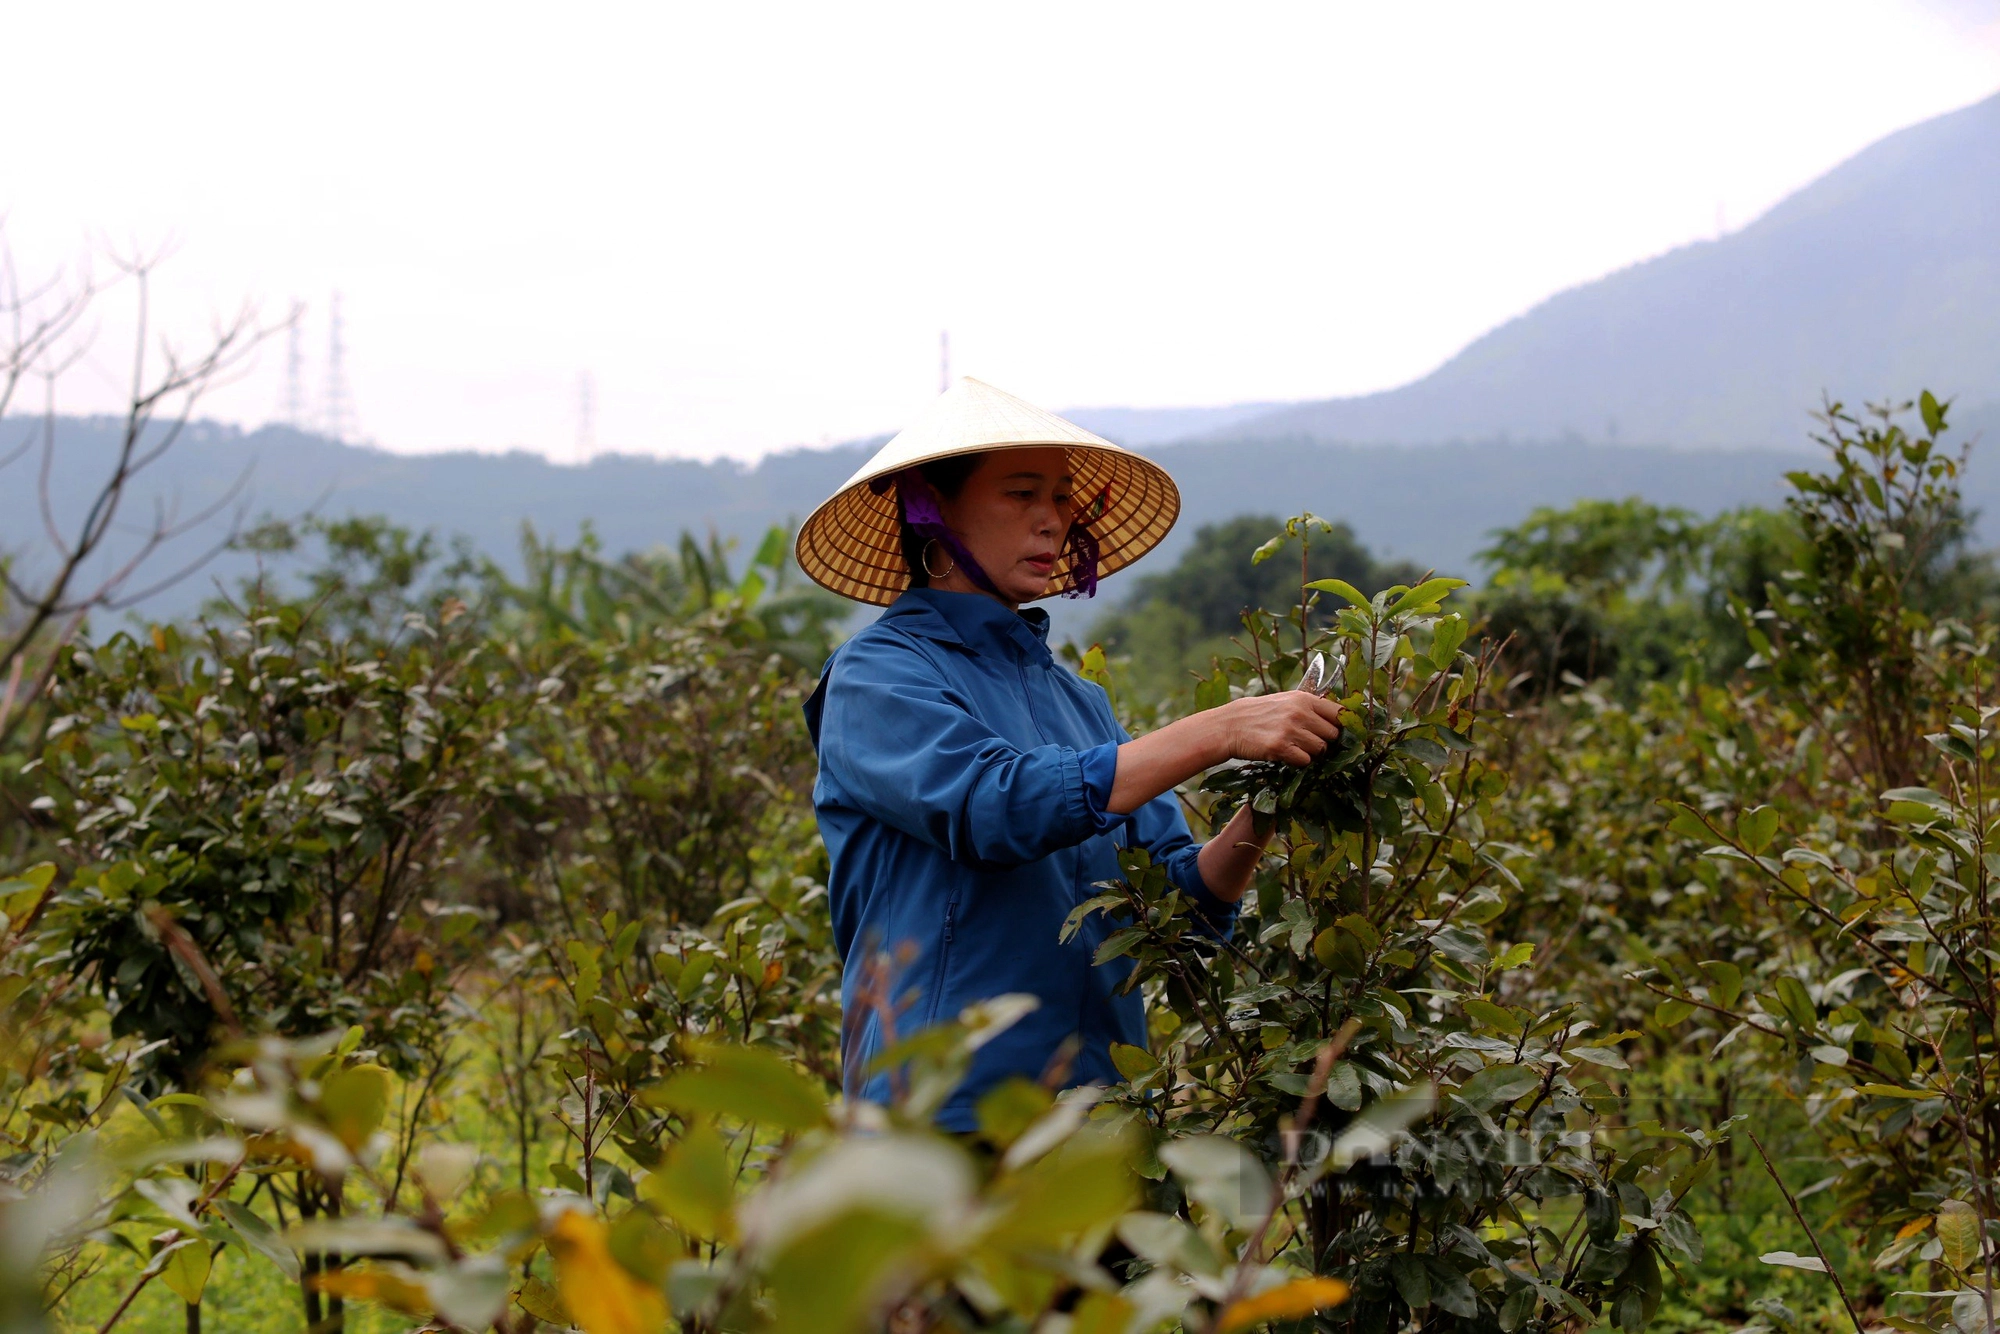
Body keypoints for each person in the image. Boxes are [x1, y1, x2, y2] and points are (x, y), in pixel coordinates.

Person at [796, 377, 1342, 1130]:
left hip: (1104, 1115)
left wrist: (1271, 796)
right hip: (947, 1116)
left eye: (1060, 498)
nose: (1051, 521)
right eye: (1021, 495)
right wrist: (1219, 729)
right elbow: (993, 807)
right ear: (931, 507)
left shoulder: (1078, 701)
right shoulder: (878, 674)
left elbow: (1175, 914)